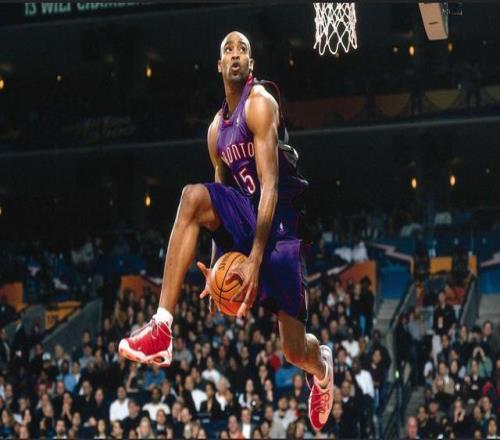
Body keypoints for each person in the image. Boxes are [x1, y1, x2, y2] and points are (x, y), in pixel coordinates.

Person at [119, 31, 334, 431]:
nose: (235, 54)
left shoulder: (260, 104)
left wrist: (254, 259)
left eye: (243, 50)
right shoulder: (216, 130)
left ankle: (322, 369)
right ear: (219, 65)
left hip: (280, 227)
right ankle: (162, 327)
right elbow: (220, 196)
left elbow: (270, 186)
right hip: (246, 215)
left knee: (294, 351)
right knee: (192, 197)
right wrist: (217, 263)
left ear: (250, 64)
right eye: (228, 50)